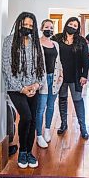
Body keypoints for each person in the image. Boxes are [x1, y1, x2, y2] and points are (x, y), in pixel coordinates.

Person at [2, 12, 45, 169]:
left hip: (34, 87)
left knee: (33, 119)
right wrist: (22, 89)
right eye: (24, 25)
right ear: (19, 24)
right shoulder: (9, 42)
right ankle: (22, 151)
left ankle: (28, 151)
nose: (27, 28)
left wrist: (36, 86)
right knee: (26, 117)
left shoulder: (35, 43)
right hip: (16, 89)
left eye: (30, 26)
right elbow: (7, 68)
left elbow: (42, 67)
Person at [52, 17, 89, 139]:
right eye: (70, 24)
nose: (72, 27)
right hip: (61, 77)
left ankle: (83, 127)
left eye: (75, 25)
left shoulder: (81, 41)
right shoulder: (57, 38)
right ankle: (63, 124)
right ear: (66, 24)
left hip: (76, 76)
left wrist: (84, 76)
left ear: (78, 28)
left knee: (78, 100)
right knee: (62, 99)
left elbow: (85, 59)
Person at [35, 19, 64, 148]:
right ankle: (39, 135)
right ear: (42, 28)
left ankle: (47, 130)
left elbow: (59, 61)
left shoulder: (55, 44)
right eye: (46, 27)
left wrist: (61, 75)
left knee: (51, 106)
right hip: (42, 80)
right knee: (40, 108)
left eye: (51, 27)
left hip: (54, 78)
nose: (49, 29)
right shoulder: (36, 43)